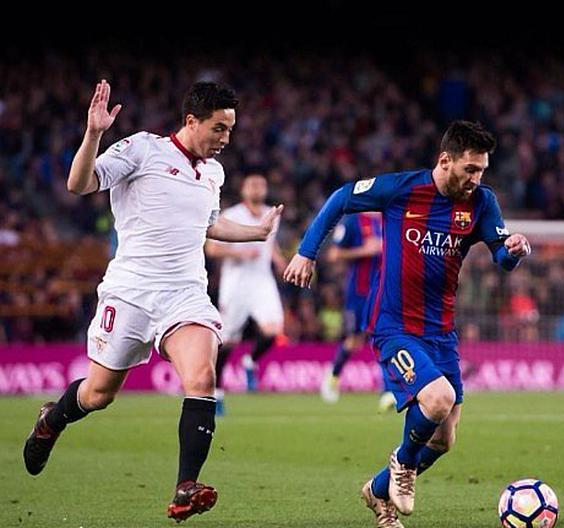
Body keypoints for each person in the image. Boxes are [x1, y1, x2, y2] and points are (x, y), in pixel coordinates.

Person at [23, 80, 283, 522]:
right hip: (130, 292)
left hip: (184, 294)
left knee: (202, 377)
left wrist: (256, 233)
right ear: (191, 121)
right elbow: (78, 183)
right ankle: (52, 419)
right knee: (98, 394)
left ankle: (185, 487)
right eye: (219, 129)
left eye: (230, 130)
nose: (226, 140)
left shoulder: (214, 174)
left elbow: (209, 225)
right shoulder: (142, 150)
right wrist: (93, 134)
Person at [284, 121, 531, 528]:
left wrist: (514, 250)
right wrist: (307, 253)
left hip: (441, 332)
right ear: (445, 160)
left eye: (482, 170)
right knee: (436, 399)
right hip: (393, 325)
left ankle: (377, 492)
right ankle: (402, 464)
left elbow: (500, 258)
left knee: (444, 439)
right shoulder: (403, 189)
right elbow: (342, 197)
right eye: (470, 169)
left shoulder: (482, 203)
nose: (476, 178)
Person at [205, 173, 287, 414]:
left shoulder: (271, 214)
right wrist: (240, 254)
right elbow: (212, 249)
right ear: (243, 189)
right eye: (252, 184)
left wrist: (280, 260)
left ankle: (249, 362)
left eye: (261, 184)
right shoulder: (231, 216)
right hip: (236, 284)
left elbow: (270, 243)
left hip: (262, 281)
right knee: (228, 341)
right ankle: (217, 394)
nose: (257, 188)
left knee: (273, 331)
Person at [318, 212, 396, 412]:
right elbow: (334, 254)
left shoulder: (390, 219)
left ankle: (388, 391)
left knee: (382, 337)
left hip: (383, 292)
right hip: (358, 294)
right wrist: (364, 250)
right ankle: (334, 375)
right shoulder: (353, 221)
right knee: (354, 341)